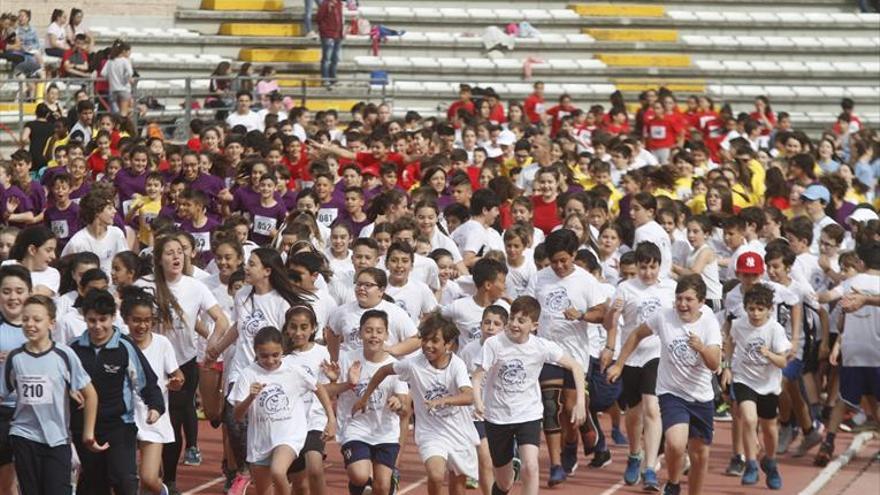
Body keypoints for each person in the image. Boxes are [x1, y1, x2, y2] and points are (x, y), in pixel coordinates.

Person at [608, 274, 723, 495]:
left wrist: (701, 347)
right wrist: (620, 364)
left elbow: (714, 363)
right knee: (676, 443)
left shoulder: (709, 321)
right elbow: (636, 334)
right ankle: (673, 482)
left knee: (700, 454)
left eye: (689, 299)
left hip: (700, 395)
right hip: (672, 392)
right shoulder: (664, 316)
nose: (682, 304)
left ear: (701, 301)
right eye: (679, 298)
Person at [354, 313, 480, 495]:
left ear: (448, 344)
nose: (428, 345)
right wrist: (364, 398)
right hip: (431, 433)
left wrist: (443, 400)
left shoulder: (457, 365)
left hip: (459, 431)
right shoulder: (414, 364)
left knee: (458, 487)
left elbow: (469, 396)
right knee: (436, 475)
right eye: (425, 340)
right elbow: (383, 371)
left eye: (435, 341)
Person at [471, 295, 586, 495]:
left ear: (534, 325)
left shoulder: (541, 346)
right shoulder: (494, 344)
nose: (514, 324)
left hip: (528, 414)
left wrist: (581, 403)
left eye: (521, 321)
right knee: (504, 482)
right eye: (512, 319)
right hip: (497, 417)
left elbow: (575, 366)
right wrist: (478, 401)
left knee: (531, 467)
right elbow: (477, 376)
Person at [526, 228, 607, 483]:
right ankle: (556, 464)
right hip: (547, 353)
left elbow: (601, 313)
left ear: (574, 255)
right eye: (554, 261)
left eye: (564, 260)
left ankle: (571, 444)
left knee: (571, 412)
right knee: (550, 407)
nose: (559, 266)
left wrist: (581, 315)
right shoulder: (539, 279)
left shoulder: (586, 281)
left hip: (576, 357)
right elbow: (528, 306)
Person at [68, 288, 165, 495]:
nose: (98, 326)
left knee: (124, 480)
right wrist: (70, 392)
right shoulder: (74, 349)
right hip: (84, 427)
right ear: (84, 318)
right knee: (95, 484)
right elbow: (61, 382)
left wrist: (155, 406)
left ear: (113, 317)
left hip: (118, 425)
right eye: (92, 320)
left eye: (103, 320)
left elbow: (146, 380)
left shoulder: (124, 347)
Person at [2, 294, 102, 495]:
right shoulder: (15, 358)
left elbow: (90, 394)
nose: (30, 324)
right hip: (24, 437)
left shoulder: (64, 355)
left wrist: (88, 433)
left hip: (57, 439)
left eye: (37, 320)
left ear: (52, 323)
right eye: (26, 319)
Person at [601, 241, 675, 490]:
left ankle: (651, 467)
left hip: (658, 355)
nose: (648, 273)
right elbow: (609, 324)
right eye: (643, 268)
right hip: (631, 356)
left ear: (659, 266)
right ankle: (635, 454)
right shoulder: (625, 288)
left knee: (652, 408)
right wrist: (613, 313)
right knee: (634, 414)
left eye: (652, 268)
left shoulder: (669, 289)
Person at [231, 326, 335, 495]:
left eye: (275, 355)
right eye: (264, 355)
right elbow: (237, 415)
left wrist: (331, 419)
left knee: (278, 471)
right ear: (255, 351)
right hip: (260, 442)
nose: (270, 360)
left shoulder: (293, 370)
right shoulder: (247, 375)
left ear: (282, 351)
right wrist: (250, 397)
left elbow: (318, 387)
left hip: (289, 436)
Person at [324, 309, 410, 495]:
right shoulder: (347, 359)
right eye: (369, 330)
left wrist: (397, 402)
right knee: (359, 476)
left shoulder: (396, 366)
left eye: (379, 331)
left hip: (385, 431)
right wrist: (348, 384)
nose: (374, 336)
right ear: (361, 332)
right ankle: (358, 487)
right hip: (355, 428)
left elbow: (404, 405)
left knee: (382, 487)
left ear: (387, 334)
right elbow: (326, 391)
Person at [720, 284, 788, 489]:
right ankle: (750, 463)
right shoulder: (739, 325)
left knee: (769, 429)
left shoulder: (775, 329)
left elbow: (783, 362)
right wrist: (728, 367)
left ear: (769, 309)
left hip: (768, 384)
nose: (755, 313)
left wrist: (770, 354)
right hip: (744, 379)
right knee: (748, 419)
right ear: (745, 308)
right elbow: (731, 342)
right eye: (751, 308)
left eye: (760, 309)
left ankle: (770, 461)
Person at [282, 305, 337, 495]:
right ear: (287, 328)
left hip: (315, 420)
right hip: (290, 423)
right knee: (299, 484)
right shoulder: (282, 356)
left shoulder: (321, 352)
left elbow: (326, 389)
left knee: (315, 468)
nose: (298, 333)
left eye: (304, 327)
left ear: (313, 328)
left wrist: (333, 378)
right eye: (293, 327)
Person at [316, 0, 344, 87]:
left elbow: (340, 19)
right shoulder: (326, 4)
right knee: (326, 59)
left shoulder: (339, 3)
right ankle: (325, 79)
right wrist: (324, 31)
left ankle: (333, 79)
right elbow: (319, 18)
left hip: (338, 35)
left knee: (334, 59)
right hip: (328, 35)